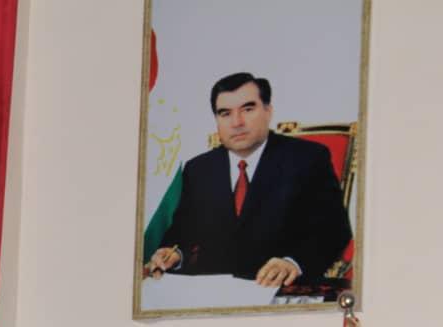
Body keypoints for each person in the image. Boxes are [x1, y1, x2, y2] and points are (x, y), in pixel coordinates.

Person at [145, 72, 352, 287]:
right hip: (213, 292)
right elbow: (181, 234)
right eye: (225, 113)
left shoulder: (307, 158)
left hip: (283, 289)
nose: (237, 122)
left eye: (248, 109)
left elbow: (335, 230)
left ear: (268, 111)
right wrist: (175, 255)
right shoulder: (198, 169)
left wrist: (293, 263)